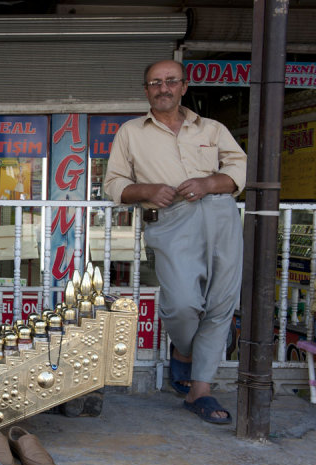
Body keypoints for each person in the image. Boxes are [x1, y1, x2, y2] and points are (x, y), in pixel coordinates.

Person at [103, 60, 246, 424]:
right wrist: (147, 190)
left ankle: (201, 390)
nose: (163, 88)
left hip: (221, 215)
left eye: (170, 81)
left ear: (184, 86)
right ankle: (183, 351)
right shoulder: (131, 133)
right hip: (171, 221)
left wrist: (208, 183)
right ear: (146, 90)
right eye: (154, 82)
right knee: (182, 303)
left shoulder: (213, 129)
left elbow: (238, 169)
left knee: (220, 302)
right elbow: (113, 184)